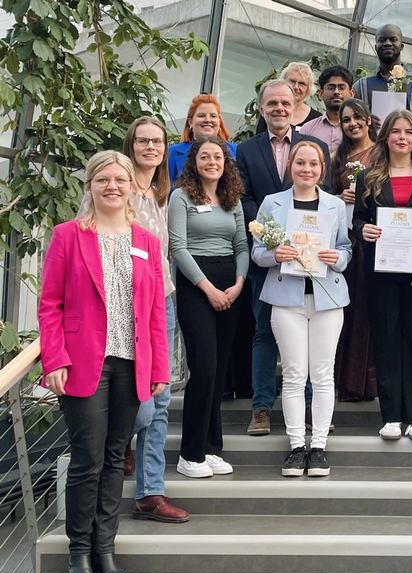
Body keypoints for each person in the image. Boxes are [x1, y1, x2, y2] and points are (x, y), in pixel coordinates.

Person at [39, 150, 169, 573]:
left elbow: (155, 312)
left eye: (120, 179)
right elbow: (50, 305)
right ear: (89, 186)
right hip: (83, 364)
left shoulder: (147, 241)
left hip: (131, 365)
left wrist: (160, 369)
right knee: (88, 461)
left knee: (116, 458)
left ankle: (104, 549)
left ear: (132, 185)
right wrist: (54, 358)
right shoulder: (67, 236)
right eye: (103, 180)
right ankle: (78, 552)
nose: (112, 186)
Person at [236, 79, 331, 436]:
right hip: (271, 257)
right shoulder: (247, 149)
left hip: (309, 261)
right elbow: (243, 197)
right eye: (271, 103)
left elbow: (327, 195)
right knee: (263, 333)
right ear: (262, 109)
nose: (279, 108)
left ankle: (309, 406)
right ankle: (261, 407)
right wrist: (270, 230)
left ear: (296, 106)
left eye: (285, 103)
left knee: (308, 335)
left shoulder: (316, 145)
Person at [252, 141, 352, 477]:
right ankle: (296, 446)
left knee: (323, 375)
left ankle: (319, 447)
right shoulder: (272, 203)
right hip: (286, 299)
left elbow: (345, 249)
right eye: (300, 163)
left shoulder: (335, 205)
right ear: (290, 166)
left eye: (313, 164)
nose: (306, 169)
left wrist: (337, 258)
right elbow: (257, 253)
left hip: (327, 299)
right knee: (294, 375)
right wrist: (273, 256)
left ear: (322, 169)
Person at [353, 109, 412, 440]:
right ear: (386, 137)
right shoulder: (369, 177)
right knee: (387, 338)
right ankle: (391, 415)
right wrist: (364, 230)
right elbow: (359, 218)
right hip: (382, 267)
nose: (402, 137)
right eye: (396, 131)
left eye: (409, 131)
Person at [120, 117, 190, 522]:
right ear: (131, 144)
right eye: (143, 140)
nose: (151, 147)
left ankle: (150, 492)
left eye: (157, 141)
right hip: (123, 304)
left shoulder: (165, 194)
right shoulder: (120, 187)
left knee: (160, 396)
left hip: (162, 300)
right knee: (137, 397)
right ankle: (119, 442)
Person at [168, 137, 248, 478]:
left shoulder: (232, 199)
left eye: (218, 156)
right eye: (205, 156)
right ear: (194, 161)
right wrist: (209, 288)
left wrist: (239, 282)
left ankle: (212, 447)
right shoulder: (181, 196)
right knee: (203, 368)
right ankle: (190, 453)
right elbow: (178, 247)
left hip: (230, 283)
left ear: (226, 161)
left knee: (219, 370)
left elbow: (242, 243)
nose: (212, 161)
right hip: (196, 284)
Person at [330, 98, 380, 402]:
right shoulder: (338, 158)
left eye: (357, 118)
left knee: (365, 310)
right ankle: (342, 380)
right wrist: (340, 194)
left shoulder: (380, 154)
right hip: (345, 240)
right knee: (344, 311)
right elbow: (326, 196)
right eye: (346, 120)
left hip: (372, 237)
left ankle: (364, 383)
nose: (352, 124)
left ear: (368, 119)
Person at [352, 24, 412, 124]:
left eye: (393, 39)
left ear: (401, 46)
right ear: (376, 47)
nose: (387, 43)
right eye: (382, 40)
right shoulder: (361, 86)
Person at [168, 93, 237, 184]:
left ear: (219, 122)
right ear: (190, 122)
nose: (208, 120)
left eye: (213, 116)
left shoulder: (237, 151)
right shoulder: (170, 153)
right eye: (201, 115)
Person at [299, 65, 355, 154]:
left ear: (351, 94)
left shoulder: (358, 128)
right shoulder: (308, 129)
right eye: (331, 87)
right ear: (320, 94)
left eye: (342, 87)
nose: (336, 92)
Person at [256, 62, 322, 134]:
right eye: (292, 81)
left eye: (302, 84)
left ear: (308, 88)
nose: (296, 87)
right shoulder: (270, 111)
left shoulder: (317, 119)